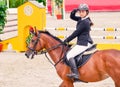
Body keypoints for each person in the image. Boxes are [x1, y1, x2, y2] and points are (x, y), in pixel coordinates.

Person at [63, 3, 94, 79]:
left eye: (83, 12)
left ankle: (75, 73)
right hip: (83, 42)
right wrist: (74, 11)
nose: (81, 13)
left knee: (69, 55)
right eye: (80, 11)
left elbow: (76, 33)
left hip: (84, 43)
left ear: (87, 12)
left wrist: (66, 40)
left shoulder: (85, 22)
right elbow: (72, 17)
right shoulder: (81, 19)